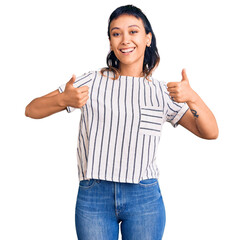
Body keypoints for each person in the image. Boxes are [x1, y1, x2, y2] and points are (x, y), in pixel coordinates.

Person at [25, 4, 218, 240]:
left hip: (144, 197)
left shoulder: (161, 92)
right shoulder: (91, 82)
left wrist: (193, 98)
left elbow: (210, 132)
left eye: (133, 31)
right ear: (110, 42)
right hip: (94, 195)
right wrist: (64, 99)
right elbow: (31, 109)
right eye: (116, 33)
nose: (125, 39)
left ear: (148, 38)